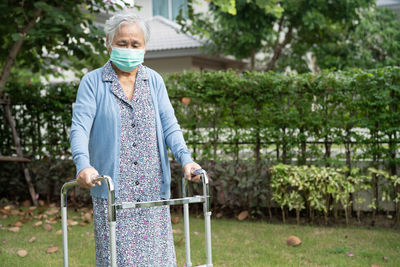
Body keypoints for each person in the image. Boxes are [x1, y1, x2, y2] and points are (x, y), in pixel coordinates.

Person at [69, 9, 201, 266]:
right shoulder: (93, 82)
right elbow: (80, 128)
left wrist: (187, 159)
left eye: (135, 44)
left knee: (157, 260)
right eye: (122, 43)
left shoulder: (154, 81)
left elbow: (170, 126)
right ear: (108, 43)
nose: (128, 48)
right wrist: (83, 165)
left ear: (144, 47)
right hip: (113, 190)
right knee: (118, 260)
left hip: (152, 188)